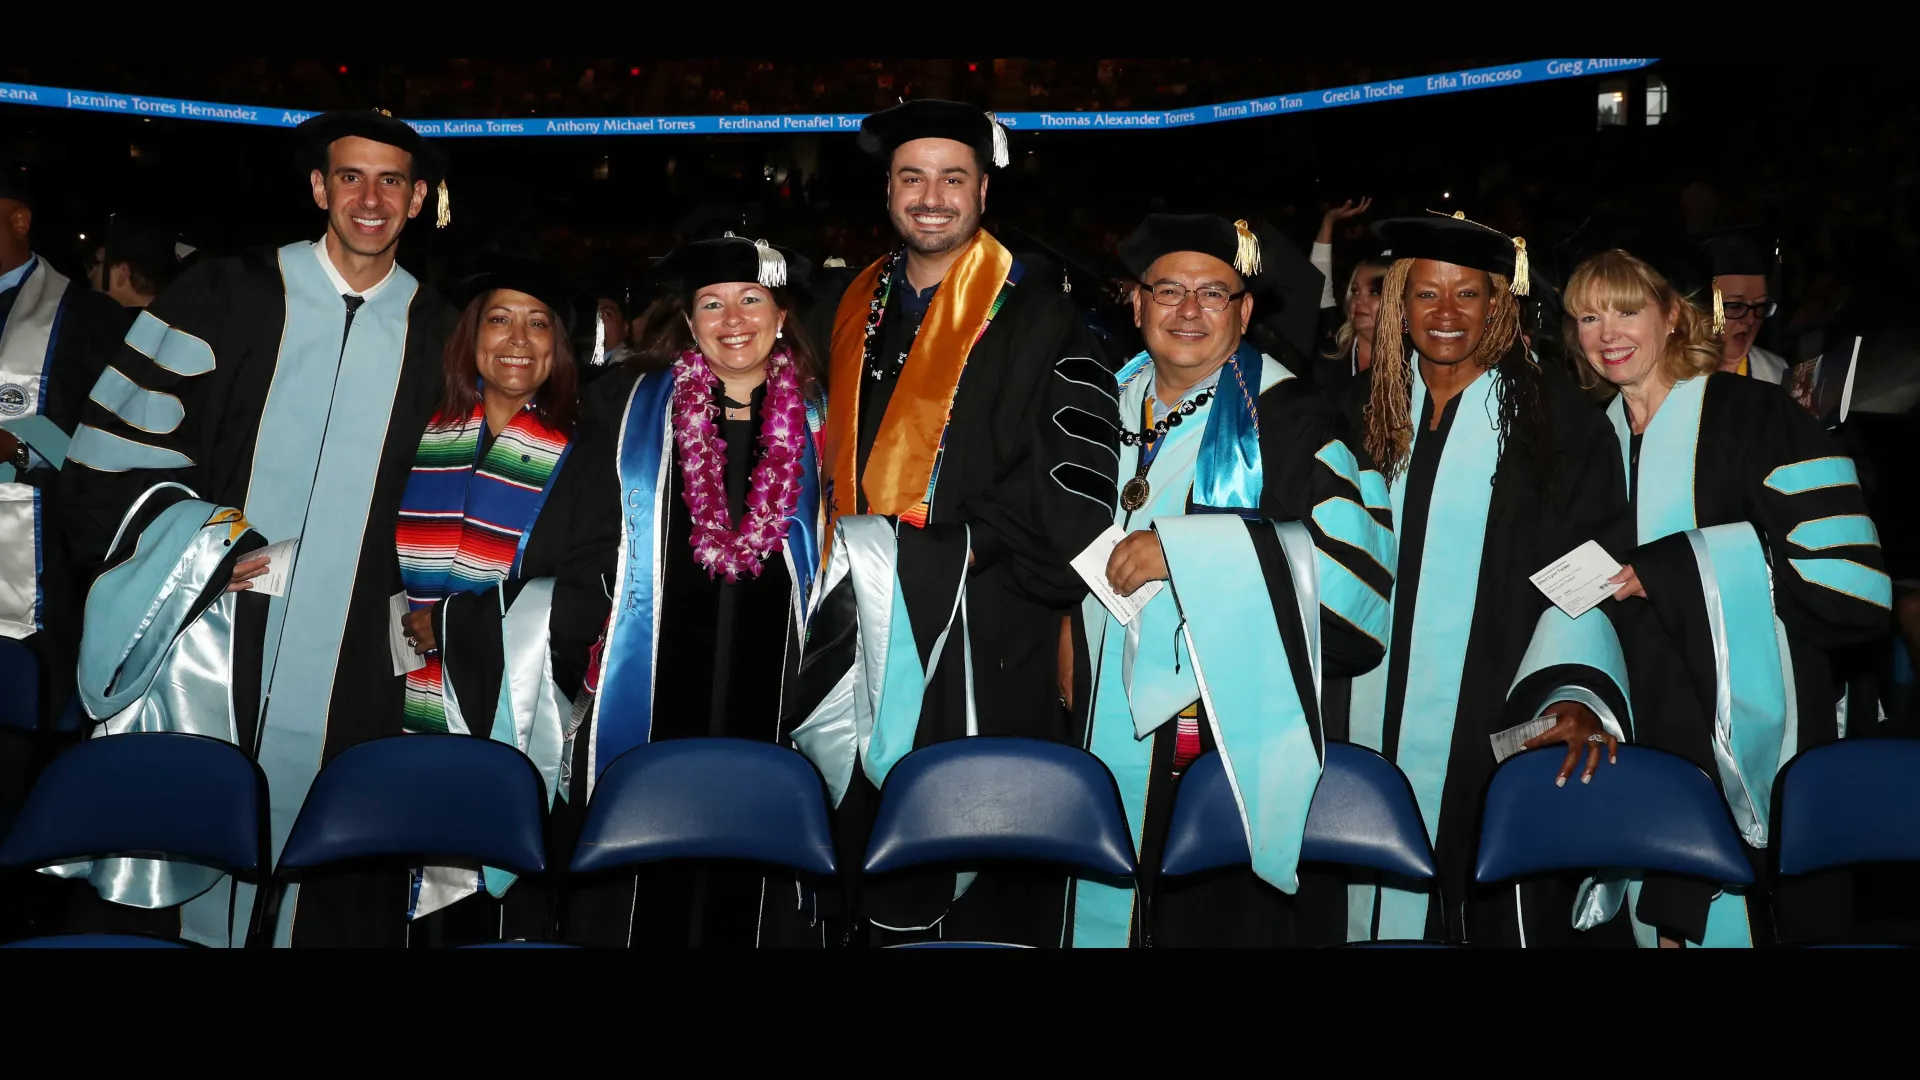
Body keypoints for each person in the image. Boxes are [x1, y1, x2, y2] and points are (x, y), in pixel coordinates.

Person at [56, 109, 456, 948]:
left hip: (360, 651)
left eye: (391, 180)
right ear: (319, 188)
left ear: (418, 200)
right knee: (195, 845)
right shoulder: (223, 294)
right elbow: (110, 446)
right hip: (217, 627)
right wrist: (203, 546)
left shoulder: (445, 332)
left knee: (334, 871)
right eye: (350, 176)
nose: (369, 198)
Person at [784, 99, 1118, 945]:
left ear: (982, 191)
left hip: (979, 630)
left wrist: (931, 557)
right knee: (857, 847)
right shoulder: (848, 306)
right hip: (852, 627)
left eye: (953, 178)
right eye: (912, 177)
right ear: (888, 191)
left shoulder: (1044, 318)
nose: (931, 197)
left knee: (965, 857)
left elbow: (1069, 488)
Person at [1063, 214, 1393, 948]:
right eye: (1169, 292)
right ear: (1137, 303)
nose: (1188, 312)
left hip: (1218, 745)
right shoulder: (1091, 407)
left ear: (1245, 312)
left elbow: (1357, 588)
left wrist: (1189, 552)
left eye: (1213, 294)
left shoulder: (1291, 417)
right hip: (1087, 720)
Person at [1565, 249, 1892, 947]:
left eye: (1627, 310)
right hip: (1644, 730)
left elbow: (1854, 589)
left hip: (1757, 733)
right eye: (1589, 316)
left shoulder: (1757, 414)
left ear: (1673, 316)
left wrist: (1679, 569)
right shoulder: (1595, 440)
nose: (1607, 333)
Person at [1332, 212, 1640, 946]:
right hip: (1351, 721)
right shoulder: (1345, 415)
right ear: (1399, 302)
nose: (1445, 314)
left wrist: (1572, 694)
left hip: (1489, 716)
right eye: (1427, 294)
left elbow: (1590, 571)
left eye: (1468, 295)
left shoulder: (1557, 424)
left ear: (1500, 304)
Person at [568, 234, 831, 948]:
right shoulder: (628, 406)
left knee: (758, 859)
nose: (733, 318)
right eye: (711, 304)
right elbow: (588, 534)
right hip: (654, 671)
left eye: (752, 299)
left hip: (779, 681)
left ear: (781, 314)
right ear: (688, 322)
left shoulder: (824, 419)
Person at [391, 255, 615, 945]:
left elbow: (595, 596)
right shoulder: (414, 436)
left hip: (525, 719)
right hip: (401, 705)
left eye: (538, 323)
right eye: (499, 319)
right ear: (469, 336)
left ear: (560, 346)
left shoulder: (589, 457)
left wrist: (454, 625)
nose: (518, 340)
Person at [0, 165, 128, 765]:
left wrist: (18, 447)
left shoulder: (86, 319)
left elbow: (108, 448)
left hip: (40, 572)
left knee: (21, 752)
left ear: (19, 220)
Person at [1692, 226, 1787, 382]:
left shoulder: (1776, 373)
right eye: (1736, 306)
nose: (1750, 320)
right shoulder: (1667, 379)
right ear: (1702, 308)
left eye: (1759, 307)